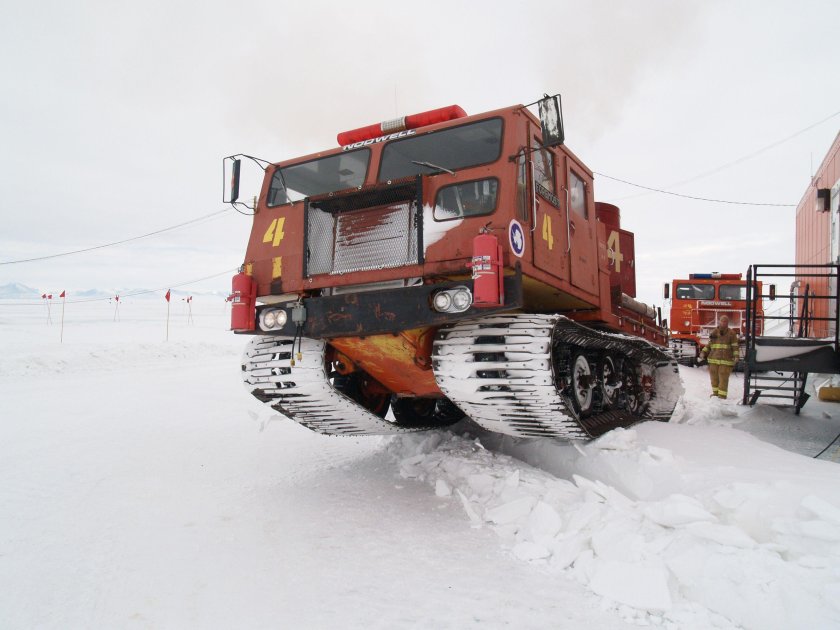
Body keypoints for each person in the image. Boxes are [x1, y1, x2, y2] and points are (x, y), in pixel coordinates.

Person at [698, 315, 740, 399]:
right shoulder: (714, 332)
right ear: (719, 322)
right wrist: (703, 352)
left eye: (725, 321)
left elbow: (735, 346)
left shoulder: (732, 333)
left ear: (728, 323)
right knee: (714, 378)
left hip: (726, 360)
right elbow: (709, 345)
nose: (723, 323)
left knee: (723, 378)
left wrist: (736, 356)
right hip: (713, 360)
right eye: (722, 321)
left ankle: (722, 396)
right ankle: (715, 394)